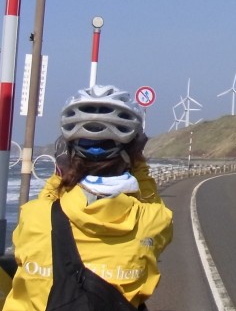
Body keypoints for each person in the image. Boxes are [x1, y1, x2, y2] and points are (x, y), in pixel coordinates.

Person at [2, 85, 173, 311]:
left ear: (68, 151)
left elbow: (50, 200)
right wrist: (139, 163)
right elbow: (149, 199)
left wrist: (60, 174)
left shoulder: (34, 216)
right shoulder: (154, 221)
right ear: (133, 151)